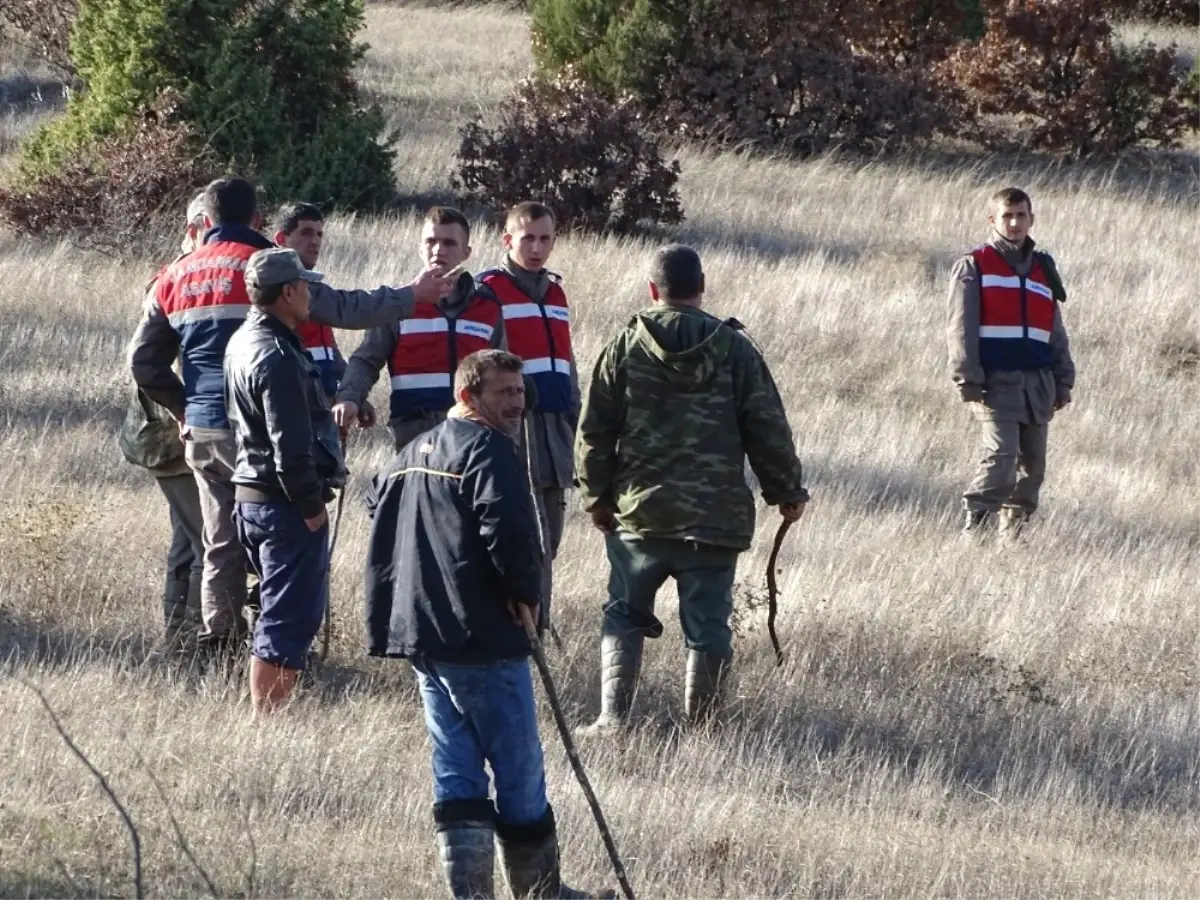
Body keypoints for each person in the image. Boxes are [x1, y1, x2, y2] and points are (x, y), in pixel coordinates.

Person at [128, 176, 457, 663]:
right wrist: (412, 295)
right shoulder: (269, 266)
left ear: (207, 220)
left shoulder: (176, 275)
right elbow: (344, 309)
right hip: (262, 430)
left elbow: (143, 363)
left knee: (219, 540)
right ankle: (274, 649)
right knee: (279, 534)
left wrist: (184, 408)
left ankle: (220, 647)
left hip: (206, 430)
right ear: (260, 220)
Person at [364, 350, 601, 900]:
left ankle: (473, 895)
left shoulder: (409, 452)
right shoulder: (488, 450)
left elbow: (379, 509)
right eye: (504, 393)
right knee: (518, 766)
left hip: (426, 636)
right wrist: (526, 595)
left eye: (521, 392)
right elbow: (513, 533)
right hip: (484, 636)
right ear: (469, 396)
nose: (517, 402)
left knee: (457, 766)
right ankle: (541, 892)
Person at [574, 244, 809, 733]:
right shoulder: (736, 349)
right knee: (708, 627)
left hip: (640, 516)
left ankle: (612, 719)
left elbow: (594, 429)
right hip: (713, 519)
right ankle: (702, 730)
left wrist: (596, 497)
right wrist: (786, 490)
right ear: (701, 288)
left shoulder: (623, 345)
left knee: (624, 612)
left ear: (652, 289)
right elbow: (767, 426)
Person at [224, 248, 341, 715]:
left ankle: (269, 714)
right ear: (288, 291)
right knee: (286, 617)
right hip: (283, 505)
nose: (311, 293)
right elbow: (288, 447)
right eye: (306, 285)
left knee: (277, 609)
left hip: (252, 498)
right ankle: (267, 722)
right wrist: (311, 506)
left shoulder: (243, 339)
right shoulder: (277, 355)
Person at [946, 186, 1075, 536]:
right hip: (995, 382)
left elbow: (1055, 330)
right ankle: (975, 530)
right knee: (1001, 458)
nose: (1015, 222)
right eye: (1007, 215)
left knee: (1032, 468)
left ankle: (1012, 539)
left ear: (1032, 219)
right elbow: (961, 327)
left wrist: (1063, 380)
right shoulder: (975, 265)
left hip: (1038, 384)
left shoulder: (1043, 270)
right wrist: (967, 378)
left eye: (1021, 215)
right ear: (993, 219)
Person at [477, 202, 579, 634]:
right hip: (513, 432)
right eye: (527, 238)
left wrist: (575, 413)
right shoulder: (489, 290)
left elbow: (567, 362)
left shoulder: (556, 293)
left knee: (547, 543)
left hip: (555, 433)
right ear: (508, 240)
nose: (537, 248)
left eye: (545, 238)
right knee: (517, 538)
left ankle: (539, 625)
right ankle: (511, 631)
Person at [117, 191, 208, 661]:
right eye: (205, 229)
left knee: (186, 542)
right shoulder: (176, 282)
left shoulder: (179, 278)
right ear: (192, 230)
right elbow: (150, 366)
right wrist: (189, 411)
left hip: (170, 437)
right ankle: (198, 644)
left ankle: (178, 640)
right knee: (206, 543)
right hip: (176, 437)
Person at [333, 207, 506, 451]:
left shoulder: (488, 308)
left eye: (449, 243)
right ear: (419, 247)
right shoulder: (397, 305)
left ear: (466, 252)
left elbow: (504, 372)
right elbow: (366, 360)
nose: (438, 250)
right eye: (431, 241)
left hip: (475, 433)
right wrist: (350, 397)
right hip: (414, 434)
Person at [272, 201, 374, 427]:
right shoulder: (277, 292)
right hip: (297, 414)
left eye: (319, 234)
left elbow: (331, 353)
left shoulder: (313, 290)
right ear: (281, 239)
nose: (315, 241)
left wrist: (353, 395)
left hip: (327, 411)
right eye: (306, 233)